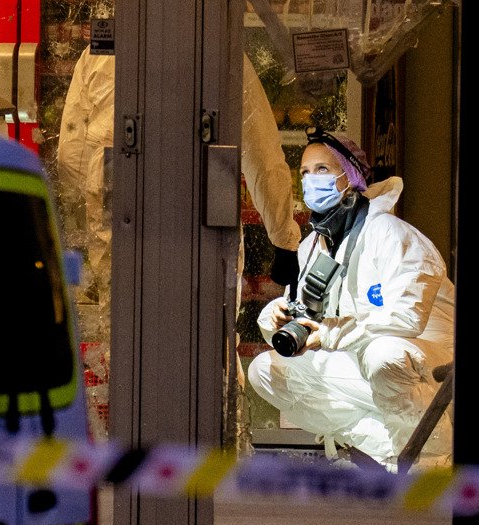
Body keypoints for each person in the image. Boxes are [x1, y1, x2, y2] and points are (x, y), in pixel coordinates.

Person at [248, 130, 454, 470]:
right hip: (369, 369)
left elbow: (406, 319)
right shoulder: (313, 247)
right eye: (304, 172)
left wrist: (329, 334)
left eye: (323, 170)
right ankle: (385, 452)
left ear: (352, 176)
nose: (311, 180)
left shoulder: (389, 233)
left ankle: (430, 462)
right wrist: (275, 319)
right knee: (266, 371)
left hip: (434, 373)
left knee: (384, 354)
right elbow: (304, 326)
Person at [57, 48, 300, 305]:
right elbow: (260, 146)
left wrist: (84, 236)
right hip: (198, 193)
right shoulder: (218, 43)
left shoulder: (102, 49)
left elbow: (71, 157)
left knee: (122, 321)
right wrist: (283, 238)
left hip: (117, 190)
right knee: (207, 320)